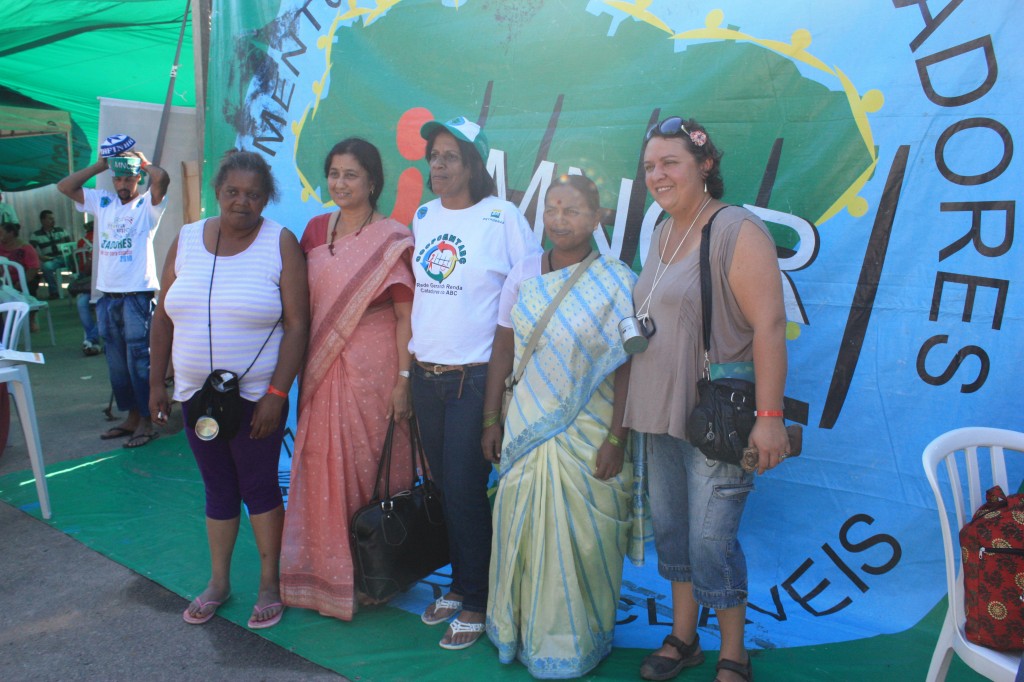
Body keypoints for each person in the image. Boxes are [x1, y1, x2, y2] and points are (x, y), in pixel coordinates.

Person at [623, 117, 790, 682]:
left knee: (710, 539)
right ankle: (684, 638)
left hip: (718, 413)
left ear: (705, 165)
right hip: (659, 408)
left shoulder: (736, 230)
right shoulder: (662, 232)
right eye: (649, 166)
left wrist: (770, 420)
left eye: (670, 163)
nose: (657, 175)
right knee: (672, 529)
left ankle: (734, 655)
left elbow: (769, 325)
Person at [481, 175, 645, 678]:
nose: (559, 218)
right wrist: (491, 418)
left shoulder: (619, 281)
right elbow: (503, 350)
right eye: (552, 208)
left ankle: (578, 641)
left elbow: (627, 367)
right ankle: (517, 630)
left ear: (597, 220)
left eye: (572, 210)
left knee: (585, 541)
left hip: (591, 433)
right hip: (526, 426)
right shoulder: (523, 275)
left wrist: (617, 437)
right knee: (520, 532)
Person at [148, 149, 309, 630]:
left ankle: (268, 584)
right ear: (218, 192)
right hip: (196, 396)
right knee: (217, 488)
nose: (243, 201)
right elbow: (163, 316)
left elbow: (298, 325)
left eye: (254, 194)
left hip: (258, 398)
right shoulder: (188, 238)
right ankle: (219, 583)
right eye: (234, 192)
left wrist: (277, 395)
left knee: (259, 487)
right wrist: (157, 382)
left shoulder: (280, 242)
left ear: (266, 200)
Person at [410, 115, 541, 650]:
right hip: (425, 375)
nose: (437, 164)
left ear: (472, 165)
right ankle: (462, 583)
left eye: (450, 156)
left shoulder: (501, 216)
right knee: (444, 489)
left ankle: (479, 600)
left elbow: (530, 291)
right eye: (433, 155)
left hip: (474, 377)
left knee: (465, 491)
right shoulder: (423, 216)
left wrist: (510, 389)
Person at [280, 138, 414, 620]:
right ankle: (325, 573)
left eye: (351, 174)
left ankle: (377, 572)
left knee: (367, 468)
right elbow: (295, 302)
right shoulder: (315, 230)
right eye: (334, 173)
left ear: (373, 181)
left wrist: (403, 380)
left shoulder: (393, 237)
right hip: (322, 367)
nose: (340, 183)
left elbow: (405, 317)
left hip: (374, 372)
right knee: (321, 466)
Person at [57, 149, 169, 448]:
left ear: (137, 178)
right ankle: (131, 418)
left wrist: (144, 163)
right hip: (108, 296)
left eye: (128, 178)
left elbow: (163, 179)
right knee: (117, 363)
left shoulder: (147, 206)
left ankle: (147, 421)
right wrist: (100, 164)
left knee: (140, 361)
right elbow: (65, 187)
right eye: (117, 178)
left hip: (137, 296)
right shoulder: (102, 202)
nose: (122, 183)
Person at [29, 209, 71, 300]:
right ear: (42, 220)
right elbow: (30, 251)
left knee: (78, 262)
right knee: (46, 267)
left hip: (65, 257)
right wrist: (41, 257)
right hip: (51, 259)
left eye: (53, 219)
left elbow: (70, 245)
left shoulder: (61, 231)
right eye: (50, 219)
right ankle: (54, 292)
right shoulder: (36, 235)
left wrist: (69, 254)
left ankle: (76, 288)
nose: (53, 221)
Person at [73, 222, 101, 356]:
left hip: (115, 289)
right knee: (81, 302)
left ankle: (91, 340)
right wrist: (92, 257)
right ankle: (92, 339)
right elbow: (86, 270)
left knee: (105, 307)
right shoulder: (93, 244)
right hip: (95, 288)